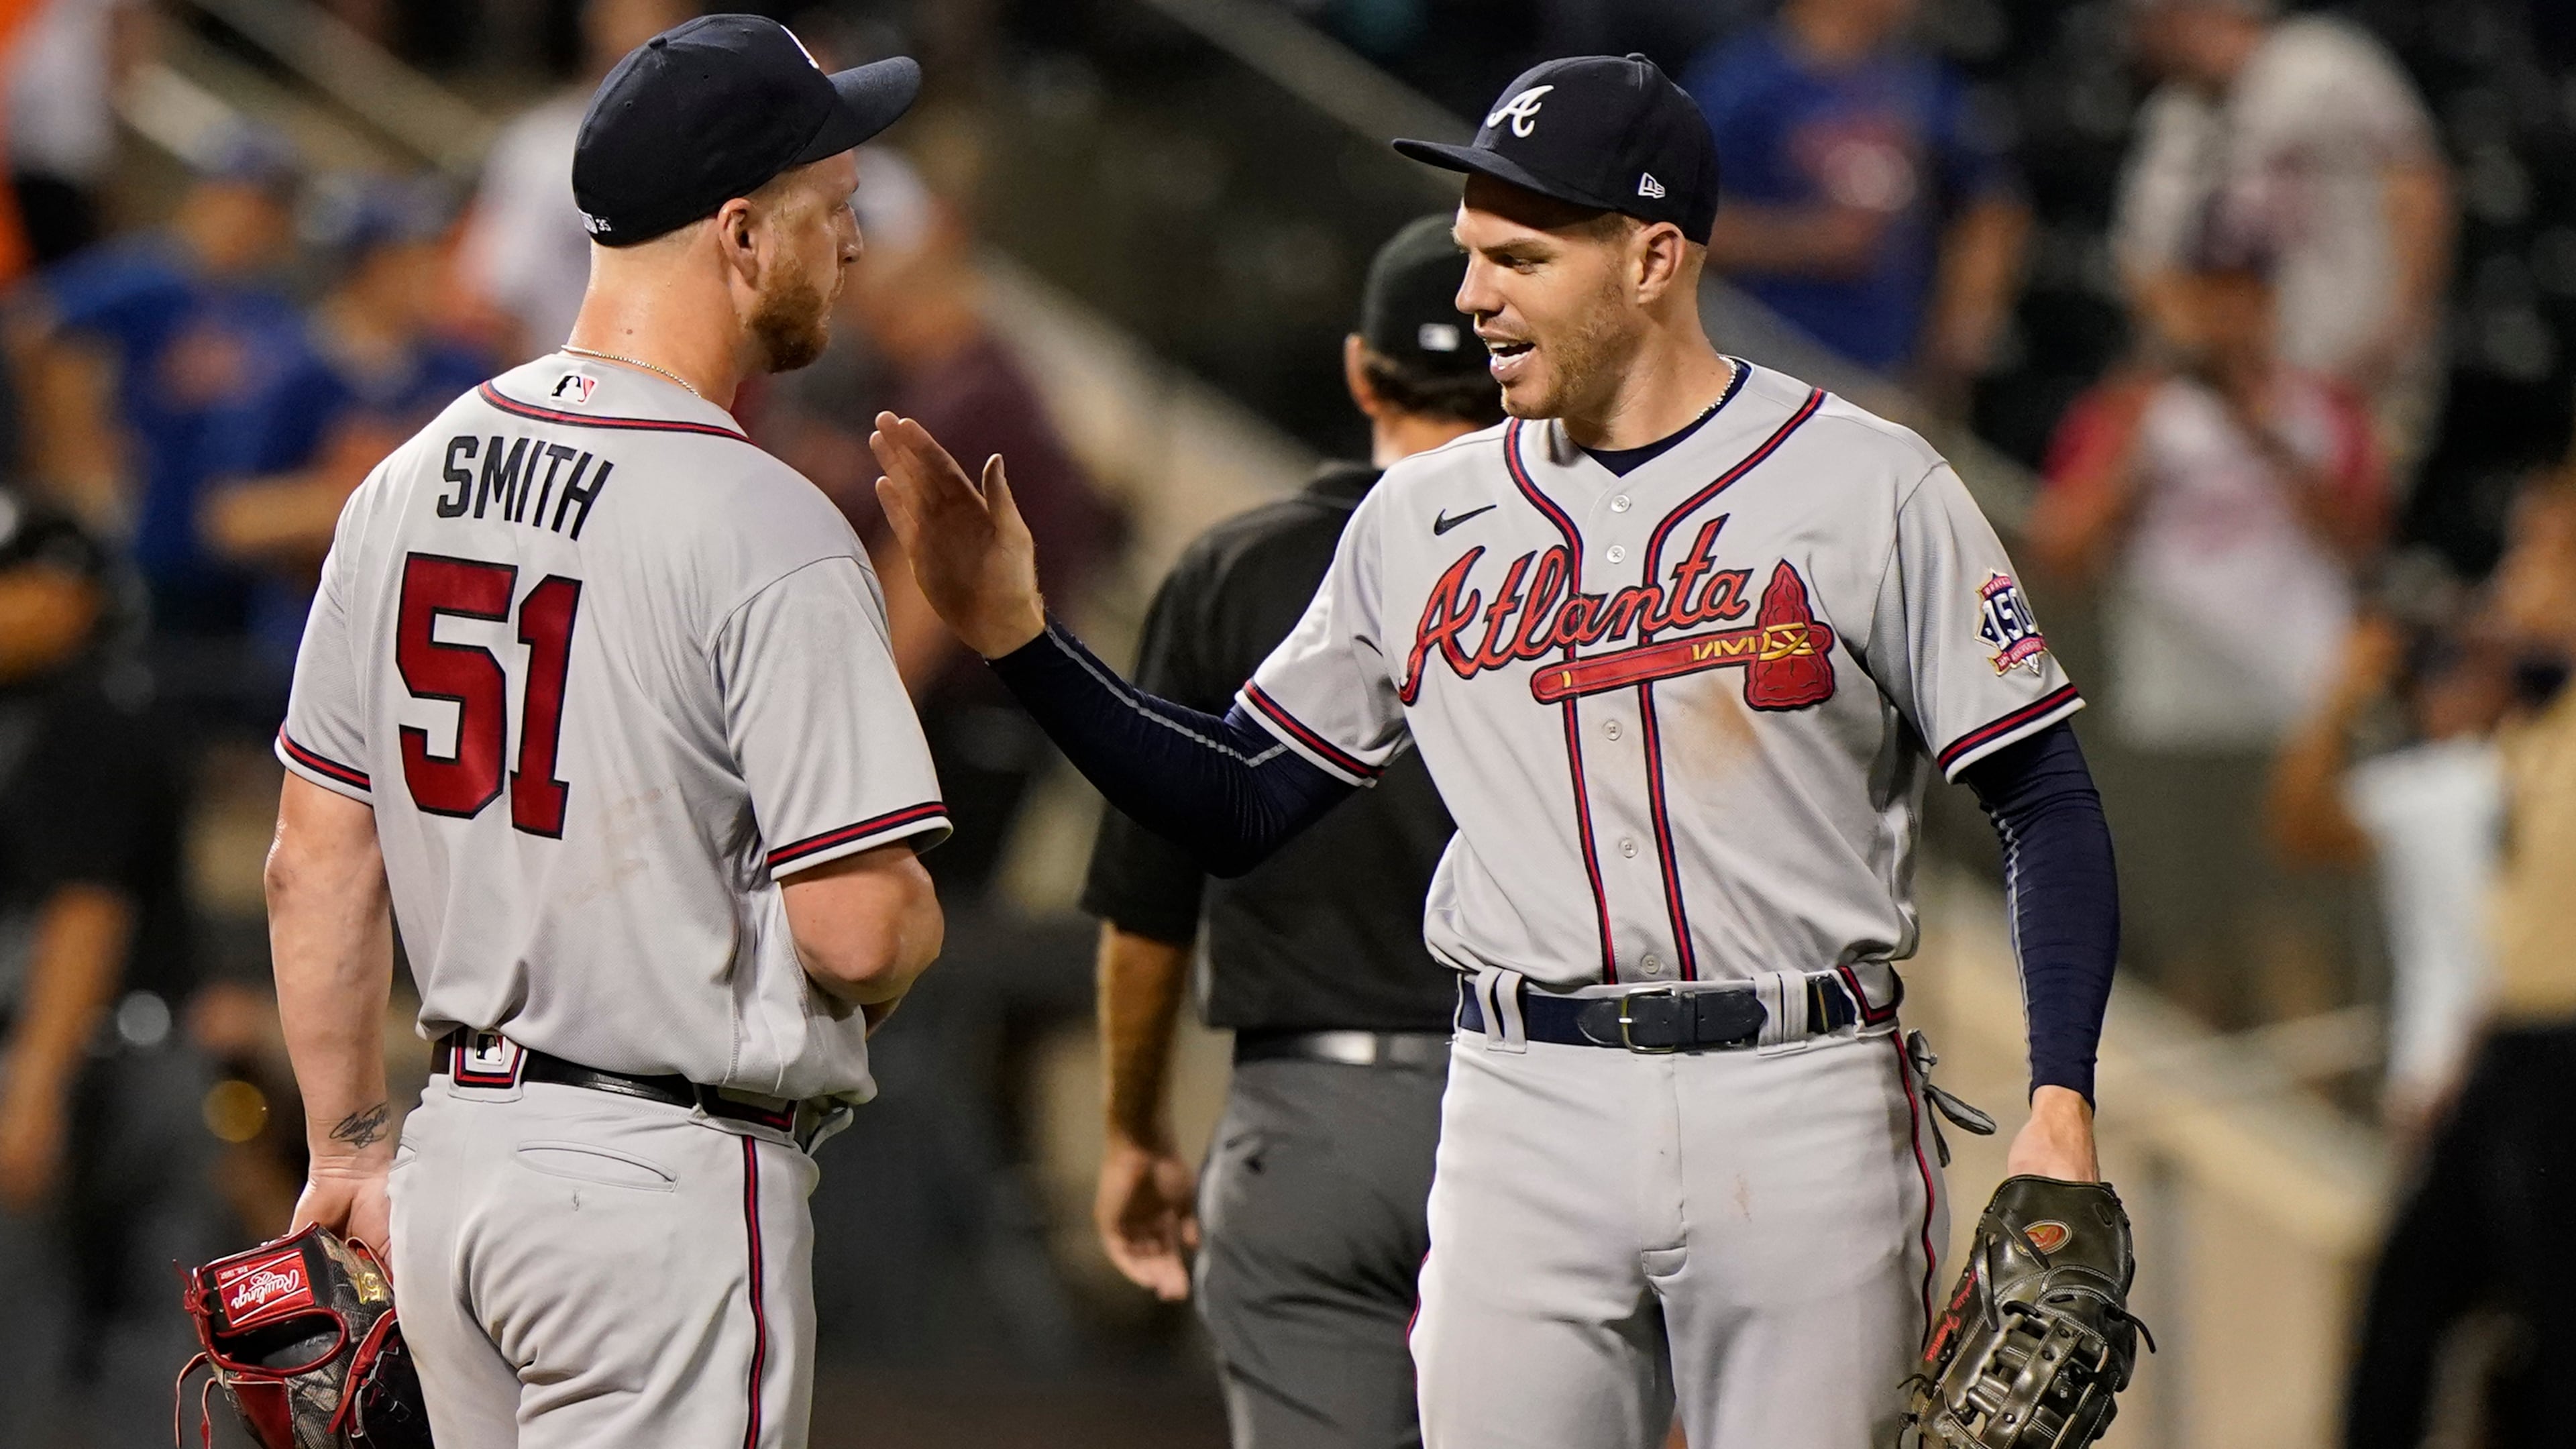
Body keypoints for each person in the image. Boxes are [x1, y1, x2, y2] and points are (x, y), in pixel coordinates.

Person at [873, 54, 2121, 1449]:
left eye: (1519, 257)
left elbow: (2044, 801)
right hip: (1528, 1101)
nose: (1473, 295)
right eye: (1471, 255)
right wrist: (1024, 643)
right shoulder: (1422, 518)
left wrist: (2060, 1100)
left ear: (1654, 257)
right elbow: (1239, 799)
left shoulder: (1869, 484)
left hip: (1806, 1092)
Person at [264, 19, 947, 1444]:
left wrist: (347, 1146)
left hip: (453, 1176)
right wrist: (909, 925)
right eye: (836, 212)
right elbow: (859, 933)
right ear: (745, 234)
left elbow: (315, 857)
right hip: (661, 1189)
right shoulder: (764, 520)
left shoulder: (404, 481)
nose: (858, 248)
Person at [1084, 215, 1495, 1449]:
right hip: (1546, 1108)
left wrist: (1133, 1133)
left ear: (1364, 370)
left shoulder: (1236, 570)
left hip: (1311, 1124)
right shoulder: (1601, 569)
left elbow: (1149, 908)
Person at [2028, 211, 2383, 1024]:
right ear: (2182, 301)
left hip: (2292, 716)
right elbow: (2061, 548)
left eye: (2246, 296)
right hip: (2174, 713)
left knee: (2296, 933)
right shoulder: (2130, 412)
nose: (2229, 315)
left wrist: (2265, 437)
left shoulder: (2321, 409)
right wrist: (2133, 444)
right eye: (2212, 296)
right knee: (2189, 935)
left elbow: (2363, 542)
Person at [2342, 476, 2576, 1449]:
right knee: (2409, 1298)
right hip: (2510, 1048)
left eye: (2537, 560)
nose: (2509, 583)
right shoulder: (2530, 729)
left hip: (2563, 1053)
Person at [0, 486, 219, 1449]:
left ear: (67, 593)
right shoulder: (74, 710)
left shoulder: (88, 716)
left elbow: (85, 918)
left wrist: (32, 1092)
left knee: (89, 1352)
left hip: (105, 1067)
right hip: (118, 1058)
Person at [7, 126, 303, 700]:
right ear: (204, 198)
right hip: (127, 533)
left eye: (263, 210)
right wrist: (71, 445)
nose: (245, 221)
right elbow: (34, 327)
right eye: (235, 199)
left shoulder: (270, 312)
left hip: (213, 547)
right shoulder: (149, 276)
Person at [2116, 0, 2452, 480]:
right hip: (2225, 394)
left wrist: (2398, 328)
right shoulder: (2173, 119)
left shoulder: (2324, 63)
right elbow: (2143, 266)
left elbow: (2418, 186)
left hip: (2358, 379)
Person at [201, 175, 494, 690]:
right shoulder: (286, 368)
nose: (438, 271)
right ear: (370, 267)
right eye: (417, 256)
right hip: (310, 642)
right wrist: (377, 502)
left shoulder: (463, 370)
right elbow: (230, 518)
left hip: (443, 637)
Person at [1684, 0, 2031, 402]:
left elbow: (1993, 204)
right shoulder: (1740, 81)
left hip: (1882, 372)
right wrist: (1808, 240)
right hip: (1757, 355)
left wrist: (1964, 321)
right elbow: (1679, 223)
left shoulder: (1920, 87)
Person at [2265, 606, 2512, 1128]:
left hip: (2492, 1060)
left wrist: (2341, 693)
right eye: (2429, 675)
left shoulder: (2487, 770)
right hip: (2445, 1068)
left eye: (2459, 669)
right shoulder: (2431, 782)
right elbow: (2300, 831)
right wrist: (2343, 693)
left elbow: (2300, 826)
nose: (2439, 691)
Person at [454, 0, 696, 364]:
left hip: (685, 384)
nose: (644, 32)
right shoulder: (544, 145)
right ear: (596, 25)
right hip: (569, 383)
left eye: (660, 14)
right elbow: (499, 294)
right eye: (628, 14)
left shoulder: (715, 147)